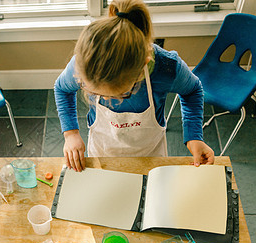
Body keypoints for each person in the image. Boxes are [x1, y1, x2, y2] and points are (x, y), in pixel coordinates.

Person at [54, 0, 214, 172]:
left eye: (120, 94)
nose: (106, 99)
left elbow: (193, 90)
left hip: (150, 155)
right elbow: (62, 88)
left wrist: (194, 136)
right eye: (93, 91)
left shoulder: (166, 68)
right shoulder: (82, 62)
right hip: (102, 150)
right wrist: (71, 134)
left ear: (142, 65)